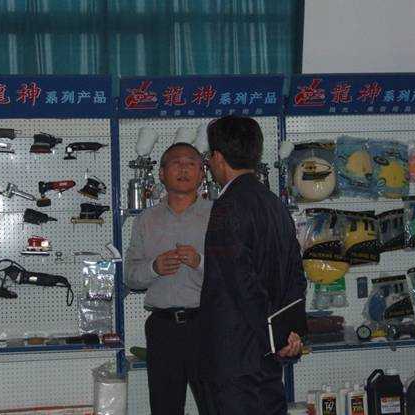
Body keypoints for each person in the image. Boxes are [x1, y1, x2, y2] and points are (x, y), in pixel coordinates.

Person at [199, 116, 308, 415]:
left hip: (235, 358)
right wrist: (288, 333)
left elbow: (241, 283)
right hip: (268, 356)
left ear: (217, 157)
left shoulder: (226, 207)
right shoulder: (275, 204)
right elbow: (296, 274)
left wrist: (278, 335)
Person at [124, 142, 212, 415]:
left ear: (202, 173)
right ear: (162, 173)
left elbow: (236, 273)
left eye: (191, 164)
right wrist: (154, 267)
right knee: (165, 408)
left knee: (216, 405)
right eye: (176, 163)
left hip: (209, 325)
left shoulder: (219, 215)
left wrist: (200, 262)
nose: (183, 169)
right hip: (163, 328)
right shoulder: (145, 220)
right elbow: (130, 277)